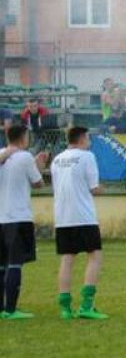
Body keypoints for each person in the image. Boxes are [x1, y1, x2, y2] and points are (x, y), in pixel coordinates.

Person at [51, 127, 108, 319]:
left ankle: (65, 308)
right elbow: (93, 188)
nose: (89, 141)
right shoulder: (87, 156)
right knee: (95, 256)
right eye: (88, 137)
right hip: (83, 216)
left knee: (67, 259)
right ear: (82, 138)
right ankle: (86, 306)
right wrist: (104, 189)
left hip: (62, 217)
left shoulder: (57, 159)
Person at [0, 126, 48, 319]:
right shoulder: (25, 157)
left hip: (1, 217)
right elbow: (38, 183)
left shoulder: (2, 154)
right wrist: (39, 166)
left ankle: (2, 309)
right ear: (23, 138)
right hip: (18, 217)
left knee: (1, 265)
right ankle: (11, 310)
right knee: (15, 264)